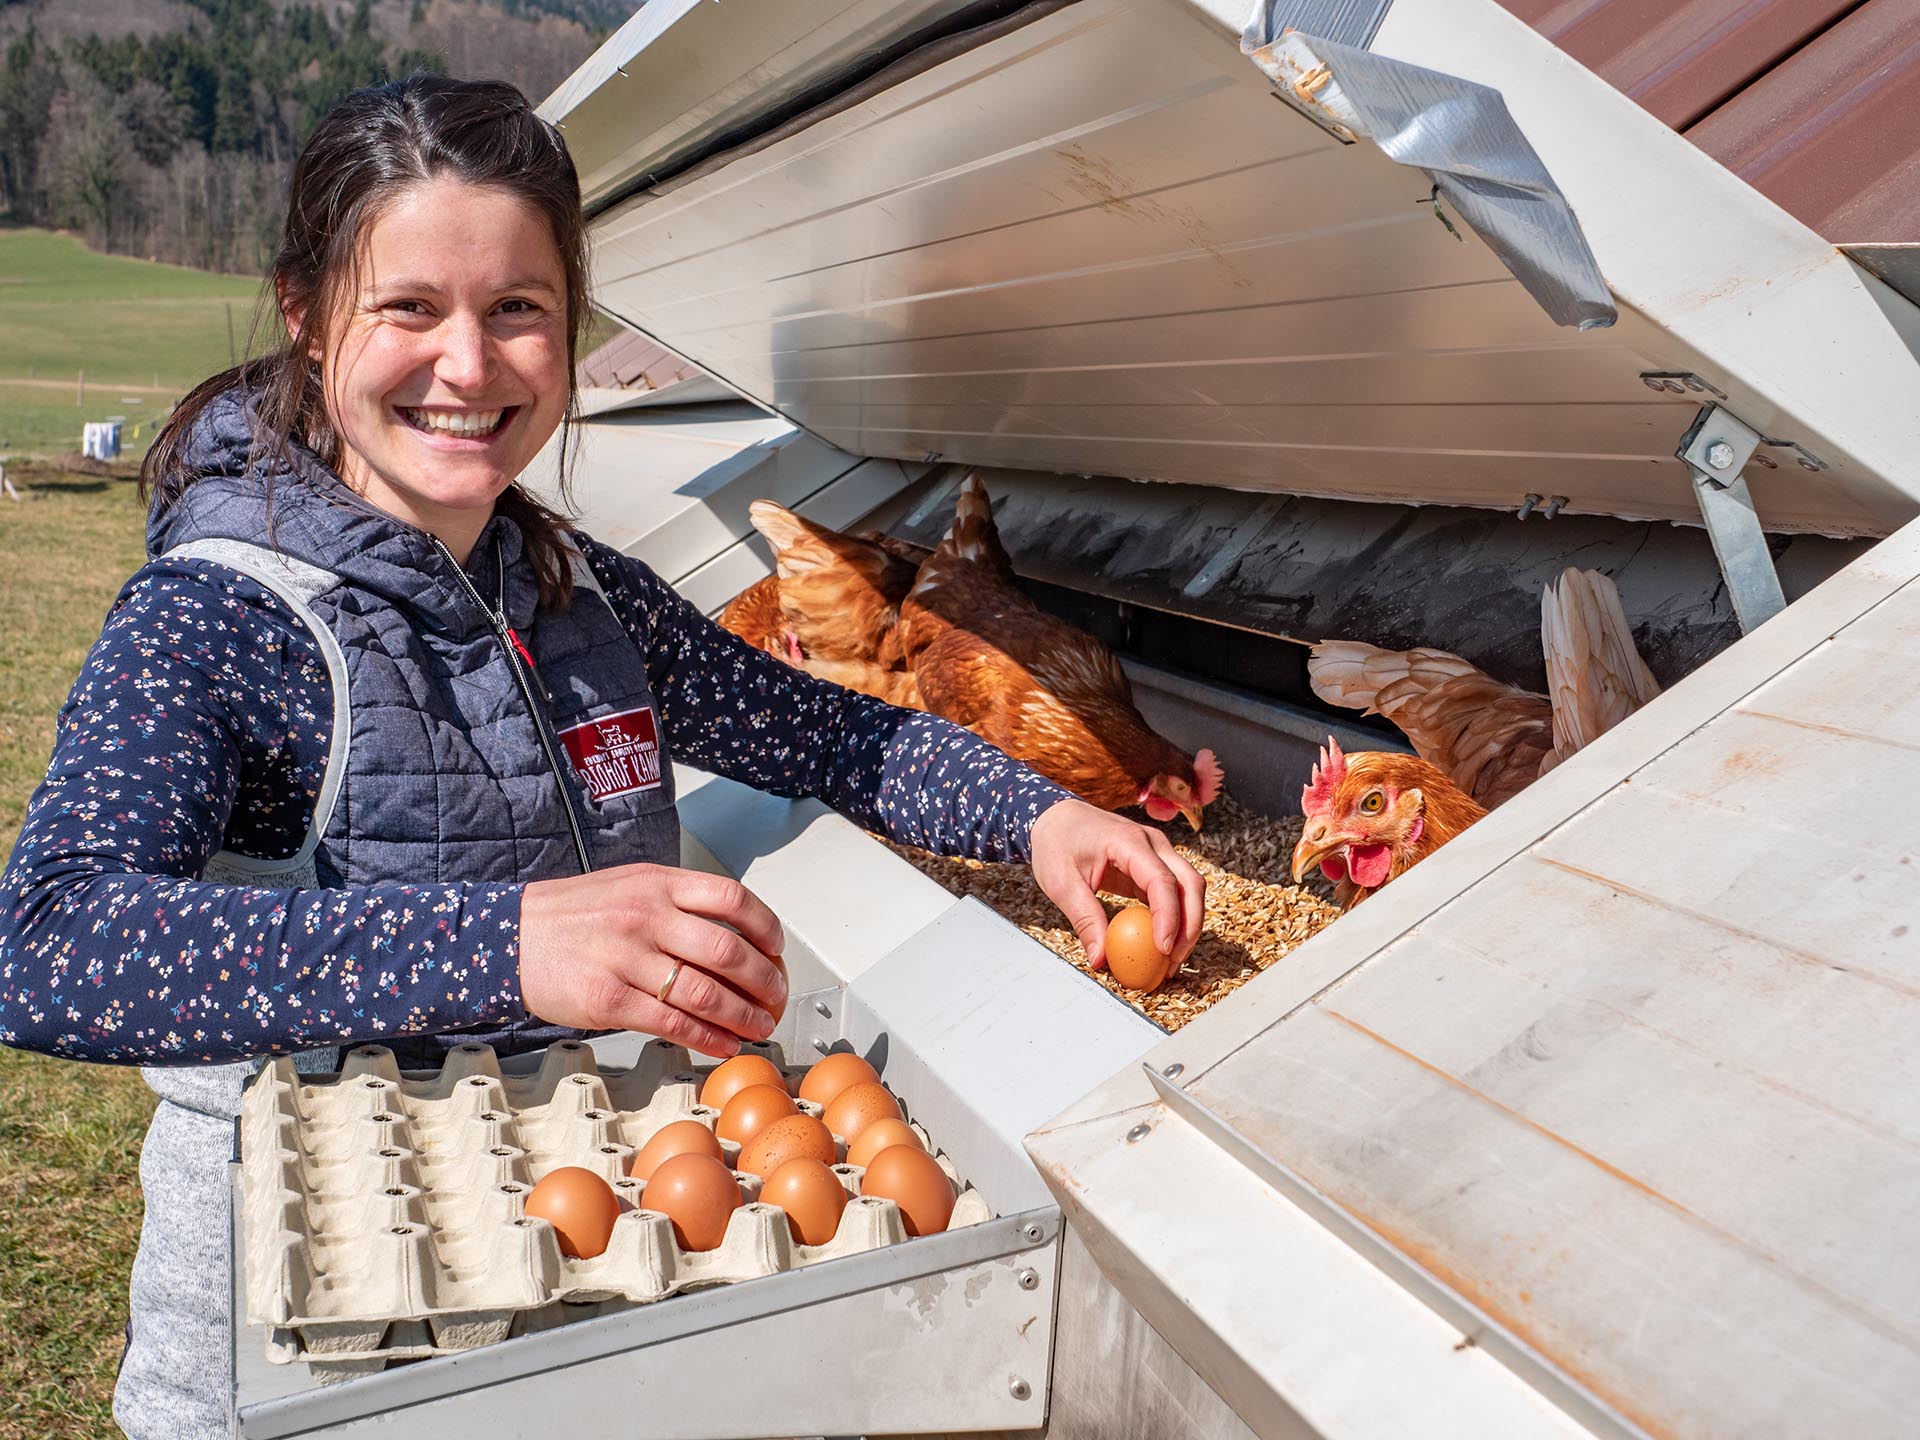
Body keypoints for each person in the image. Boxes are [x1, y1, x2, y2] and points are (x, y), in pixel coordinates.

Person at [0, 76, 1205, 1438]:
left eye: (517, 308)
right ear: (306, 312)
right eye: (410, 308)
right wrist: (508, 943)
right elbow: (54, 946)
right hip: (311, 1342)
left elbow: (823, 728)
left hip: (574, 1307)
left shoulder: (573, 593)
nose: (469, 365)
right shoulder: (227, 615)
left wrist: (1037, 816)